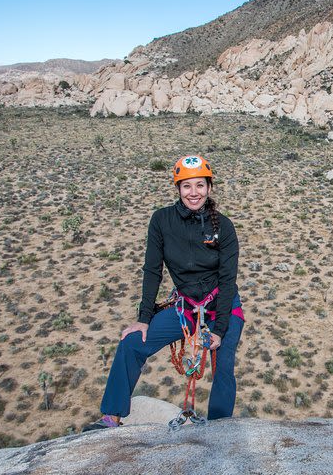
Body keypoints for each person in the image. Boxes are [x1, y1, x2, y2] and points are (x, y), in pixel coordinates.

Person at [82, 155, 244, 431]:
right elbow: (152, 270)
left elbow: (228, 280)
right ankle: (112, 416)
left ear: (209, 188)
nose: (194, 193)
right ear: (178, 189)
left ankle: (220, 430)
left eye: (200, 186)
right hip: (187, 308)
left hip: (222, 307)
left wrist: (218, 330)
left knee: (223, 363)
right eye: (186, 186)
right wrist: (144, 318)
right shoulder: (162, 221)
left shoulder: (224, 227)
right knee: (132, 343)